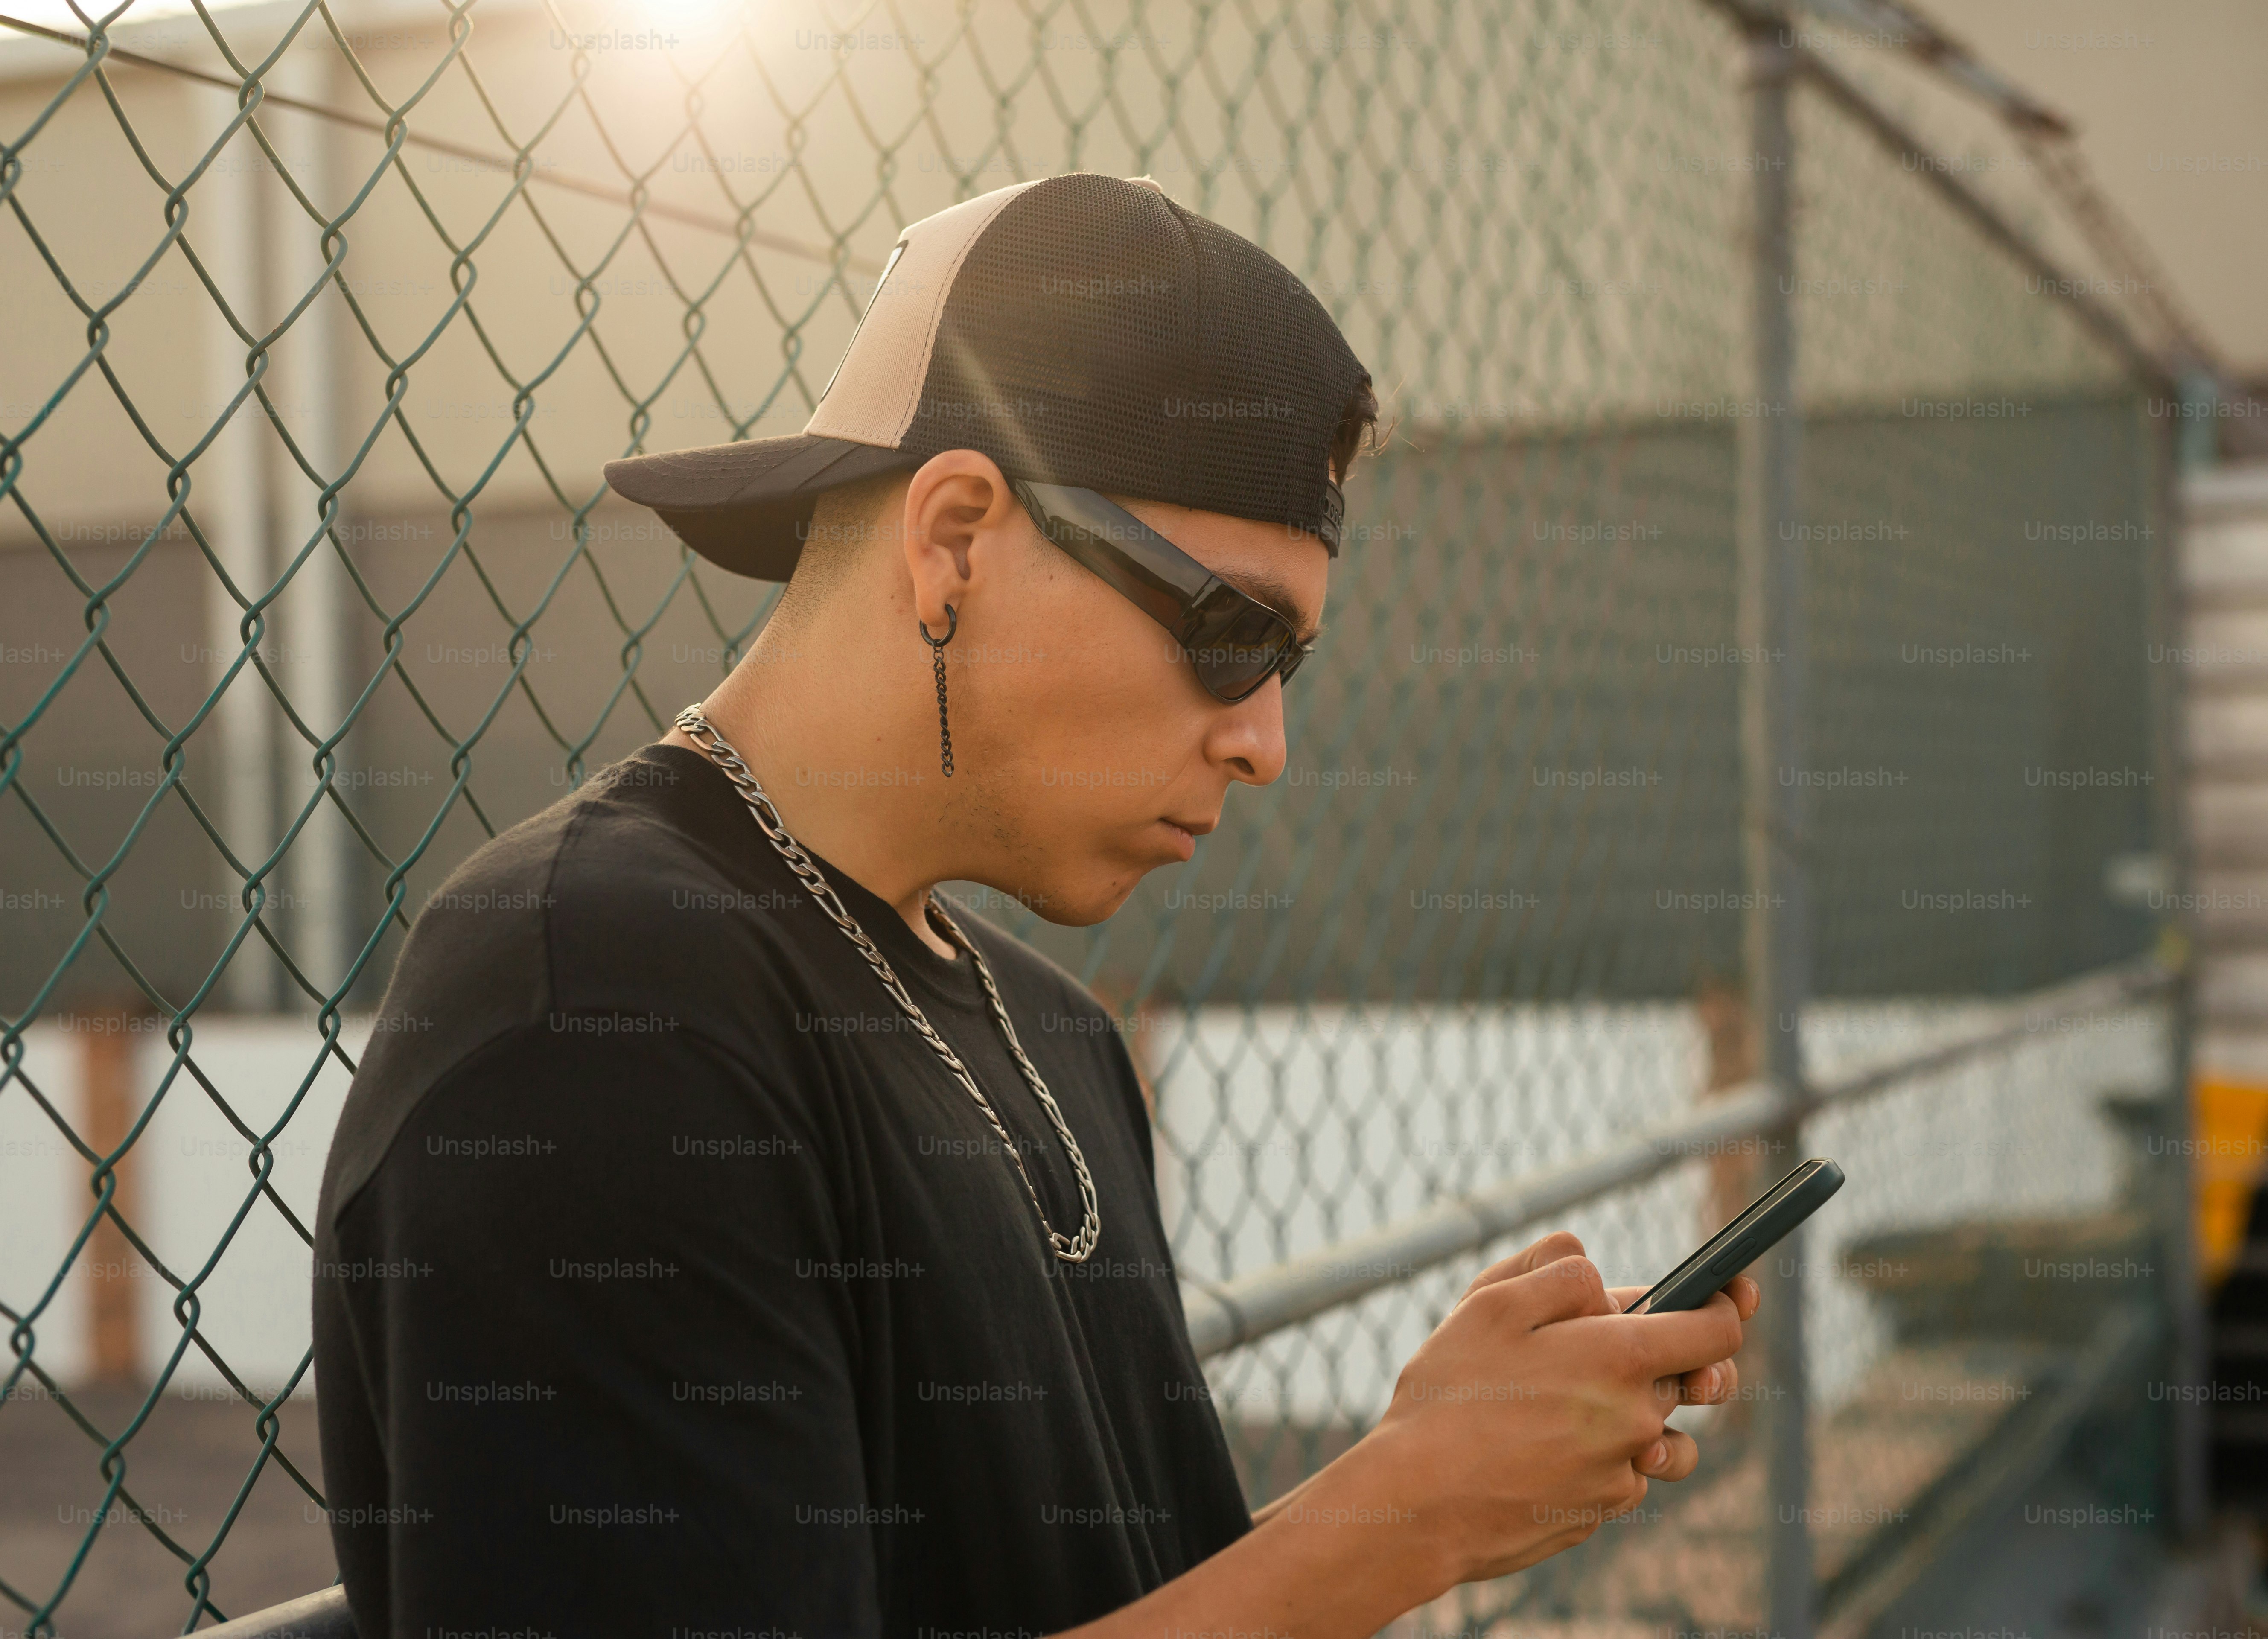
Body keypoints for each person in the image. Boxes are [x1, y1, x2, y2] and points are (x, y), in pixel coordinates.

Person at [311, 171, 1757, 1639]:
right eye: (1230, 631)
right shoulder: (598, 1004)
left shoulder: (1053, 1031)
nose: (1266, 742)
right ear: (952, 539)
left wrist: (1418, 1473)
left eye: (1288, 662)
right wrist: (1407, 1518)